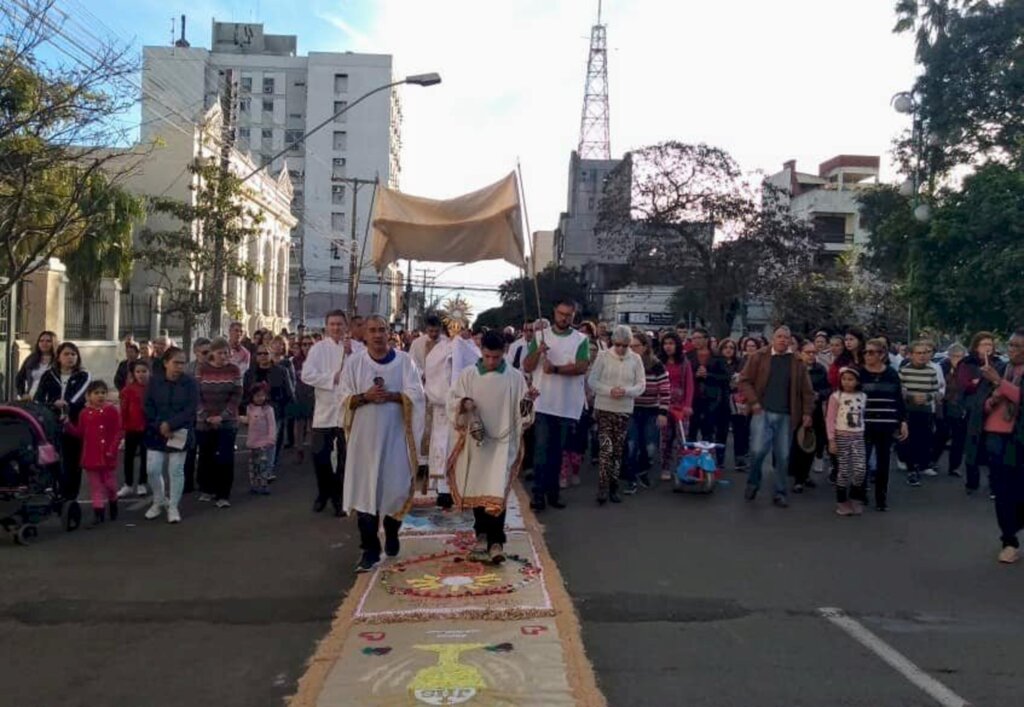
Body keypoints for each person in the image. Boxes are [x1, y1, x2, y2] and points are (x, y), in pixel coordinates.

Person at [340, 316, 425, 573]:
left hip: (395, 437)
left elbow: (417, 395)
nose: (378, 335)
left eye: (382, 330)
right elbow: (341, 398)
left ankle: (391, 532)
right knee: (366, 493)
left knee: (395, 488)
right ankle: (369, 550)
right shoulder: (354, 363)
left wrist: (392, 396)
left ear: (389, 333)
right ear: (364, 335)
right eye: (372, 330)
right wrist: (363, 397)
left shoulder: (404, 362)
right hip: (364, 440)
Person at [447, 330, 536, 561]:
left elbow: (523, 414)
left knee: (497, 491)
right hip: (477, 442)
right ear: (482, 352)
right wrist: (463, 404)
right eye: (487, 356)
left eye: (496, 357)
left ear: (503, 353)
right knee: (479, 487)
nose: (491, 362)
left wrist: (529, 401)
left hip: (503, 444)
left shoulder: (515, 377)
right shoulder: (468, 375)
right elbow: (453, 400)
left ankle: (496, 542)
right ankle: (481, 536)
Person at [522, 299, 590, 511]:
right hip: (544, 403)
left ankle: (554, 493)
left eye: (568, 315)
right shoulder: (542, 336)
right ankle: (538, 494)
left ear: (574, 316)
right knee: (541, 451)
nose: (564, 318)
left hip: (566, 404)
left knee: (557, 452)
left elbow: (581, 367)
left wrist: (558, 369)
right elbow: (527, 366)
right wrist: (537, 351)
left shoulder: (580, 339)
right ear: (554, 312)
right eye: (561, 313)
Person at [737, 326, 814, 508]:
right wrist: (754, 402)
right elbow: (744, 380)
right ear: (773, 338)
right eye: (779, 337)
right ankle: (753, 482)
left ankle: (780, 492)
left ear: (790, 341)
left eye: (786, 338)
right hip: (762, 411)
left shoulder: (797, 361)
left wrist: (807, 413)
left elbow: (807, 391)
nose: (782, 340)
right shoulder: (759, 356)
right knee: (757, 451)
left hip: (787, 415)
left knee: (783, 456)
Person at [301, 310, 364, 516]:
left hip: (348, 410)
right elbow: (307, 375)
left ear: (346, 326)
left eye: (339, 324)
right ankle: (323, 491)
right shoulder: (318, 349)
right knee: (320, 455)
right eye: (332, 324)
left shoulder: (358, 348)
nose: (336, 328)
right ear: (326, 326)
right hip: (325, 410)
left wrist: (352, 355)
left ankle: (339, 497)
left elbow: (364, 372)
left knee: (346, 458)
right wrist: (331, 378)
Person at [976, 329, 1024, 563]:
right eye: (1011, 345)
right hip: (998, 436)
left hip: (1020, 439)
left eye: (1017, 347)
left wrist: (999, 382)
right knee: (1003, 491)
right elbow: (984, 405)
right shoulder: (1004, 368)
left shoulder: (1001, 374)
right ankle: (1008, 541)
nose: (1012, 350)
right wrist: (993, 397)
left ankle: (1015, 525)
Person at [588, 325, 645, 504]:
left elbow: (641, 385)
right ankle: (602, 488)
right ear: (613, 342)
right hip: (605, 407)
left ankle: (614, 486)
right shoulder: (603, 356)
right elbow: (593, 381)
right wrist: (609, 390)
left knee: (618, 450)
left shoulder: (635, 359)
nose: (620, 349)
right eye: (618, 344)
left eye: (625, 345)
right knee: (606, 448)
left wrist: (626, 391)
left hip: (624, 410)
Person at [143, 346, 199, 524]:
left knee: (175, 470)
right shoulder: (154, 382)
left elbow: (191, 408)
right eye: (176, 363)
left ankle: (173, 506)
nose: (179, 367)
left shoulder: (190, 383)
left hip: (180, 431)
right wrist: (160, 425)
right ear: (166, 363)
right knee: (152, 469)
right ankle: (158, 500)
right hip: (156, 431)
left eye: (183, 363)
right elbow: (148, 406)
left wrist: (171, 425)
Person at [35, 342, 90, 509]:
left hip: (74, 423)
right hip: (52, 424)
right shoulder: (48, 375)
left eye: (73, 354)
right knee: (53, 459)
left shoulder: (83, 375)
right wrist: (53, 404)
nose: (70, 357)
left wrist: (66, 405)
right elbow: (39, 398)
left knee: (73, 460)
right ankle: (58, 492)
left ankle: (71, 496)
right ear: (58, 357)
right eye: (66, 354)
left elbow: (79, 396)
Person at [64, 380, 122, 527]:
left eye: (103, 392)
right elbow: (80, 433)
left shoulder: (112, 411)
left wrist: (112, 449)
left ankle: (113, 500)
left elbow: (117, 432)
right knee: (95, 486)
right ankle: (99, 513)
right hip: (91, 455)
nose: (100, 396)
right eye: (96, 393)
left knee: (109, 484)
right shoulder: (84, 413)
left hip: (107, 455)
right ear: (88, 396)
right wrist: (68, 425)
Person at [861, 338, 909, 511]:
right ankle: (861, 494)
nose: (868, 355)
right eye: (865, 352)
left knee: (883, 463)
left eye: (872, 352)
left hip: (886, 424)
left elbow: (898, 400)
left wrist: (902, 422)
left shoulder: (891, 374)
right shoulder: (860, 373)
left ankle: (881, 499)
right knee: (862, 461)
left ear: (882, 355)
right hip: (864, 424)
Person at [195, 337, 243, 508]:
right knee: (206, 455)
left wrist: (222, 416)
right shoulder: (202, 369)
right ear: (213, 353)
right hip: (205, 421)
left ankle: (223, 494)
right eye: (220, 352)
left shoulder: (234, 370)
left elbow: (237, 394)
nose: (223, 356)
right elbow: (196, 394)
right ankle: (207, 489)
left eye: (226, 352)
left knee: (225, 457)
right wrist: (206, 415)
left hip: (227, 421)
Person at [624, 332, 669, 493]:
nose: (633, 349)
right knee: (631, 445)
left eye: (636, 346)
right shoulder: (625, 364)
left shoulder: (655, 365)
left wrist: (663, 412)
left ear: (645, 347)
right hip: (631, 410)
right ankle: (631, 479)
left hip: (651, 410)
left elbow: (664, 389)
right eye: (631, 346)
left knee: (650, 447)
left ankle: (642, 471)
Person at [242, 343, 294, 475]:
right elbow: (245, 393)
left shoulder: (281, 371)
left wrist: (282, 408)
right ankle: (258, 468)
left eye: (266, 353)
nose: (263, 356)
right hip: (255, 413)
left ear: (271, 354)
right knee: (257, 441)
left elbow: (289, 392)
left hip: (274, 411)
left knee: (271, 441)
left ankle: (268, 470)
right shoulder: (250, 373)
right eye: (260, 354)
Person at [963, 332, 1005, 494]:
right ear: (976, 347)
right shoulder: (968, 363)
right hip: (972, 410)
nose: (988, 348)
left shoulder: (999, 365)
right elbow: (964, 385)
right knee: (972, 446)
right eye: (984, 345)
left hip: (993, 410)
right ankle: (971, 483)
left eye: (990, 345)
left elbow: (1002, 384)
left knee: (994, 448)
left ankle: (994, 484)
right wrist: (978, 379)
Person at [789, 339, 830, 492]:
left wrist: (819, 394)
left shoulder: (820, 369)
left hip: (815, 411)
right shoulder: (795, 369)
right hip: (797, 412)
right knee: (799, 445)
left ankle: (805, 475)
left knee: (811, 445)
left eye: (814, 353)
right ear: (800, 353)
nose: (812, 355)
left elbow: (827, 389)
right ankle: (798, 478)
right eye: (808, 352)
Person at [899, 341, 941, 486]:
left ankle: (921, 465)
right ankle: (911, 470)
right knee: (909, 440)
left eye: (924, 353)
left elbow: (936, 391)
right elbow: (899, 391)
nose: (922, 356)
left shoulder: (931, 371)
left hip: (925, 411)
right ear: (910, 355)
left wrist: (927, 397)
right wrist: (911, 397)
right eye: (918, 353)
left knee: (924, 440)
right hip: (910, 411)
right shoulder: (904, 371)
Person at [827, 367, 868, 516]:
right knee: (843, 470)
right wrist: (832, 439)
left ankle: (855, 497)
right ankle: (842, 501)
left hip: (858, 436)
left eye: (851, 379)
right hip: (841, 435)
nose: (847, 382)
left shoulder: (863, 396)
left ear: (857, 381)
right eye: (844, 379)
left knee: (860, 469)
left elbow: (864, 415)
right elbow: (830, 419)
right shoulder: (836, 397)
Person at [687, 328, 730, 464]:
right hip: (693, 397)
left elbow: (725, 377)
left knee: (709, 430)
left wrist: (708, 375)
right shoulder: (688, 356)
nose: (695, 341)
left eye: (698, 338)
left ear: (706, 339)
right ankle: (689, 459)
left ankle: (709, 460)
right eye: (693, 338)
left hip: (712, 398)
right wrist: (695, 375)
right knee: (692, 430)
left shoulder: (717, 356)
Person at [658, 332, 694, 480]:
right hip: (663, 405)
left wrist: (687, 405)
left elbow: (690, 385)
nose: (668, 346)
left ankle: (681, 467)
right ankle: (665, 467)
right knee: (665, 438)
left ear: (677, 345)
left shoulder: (685, 362)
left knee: (682, 438)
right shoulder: (658, 362)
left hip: (680, 406)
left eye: (671, 343)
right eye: (666, 343)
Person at [932, 343, 969, 477]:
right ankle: (932, 459)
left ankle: (954, 467)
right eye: (954, 356)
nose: (957, 359)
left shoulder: (967, 369)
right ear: (949, 356)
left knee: (959, 438)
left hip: (960, 406)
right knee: (942, 434)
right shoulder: (942, 367)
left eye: (960, 356)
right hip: (944, 405)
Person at [117, 360, 150, 498]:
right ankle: (128, 484)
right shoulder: (128, 390)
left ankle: (143, 483)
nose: (141, 374)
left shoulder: (153, 388)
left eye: (144, 371)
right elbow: (123, 411)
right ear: (133, 374)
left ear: (149, 372)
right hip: (131, 428)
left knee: (145, 456)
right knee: (128, 457)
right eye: (138, 372)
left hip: (148, 428)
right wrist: (122, 432)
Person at [718, 338, 750, 472]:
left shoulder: (741, 363)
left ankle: (740, 459)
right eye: (726, 347)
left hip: (738, 401)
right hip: (721, 401)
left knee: (740, 431)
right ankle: (719, 459)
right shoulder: (717, 363)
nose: (728, 349)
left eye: (731, 347)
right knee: (721, 431)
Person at [240, 382, 276, 495]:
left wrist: (271, 439)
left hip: (264, 442)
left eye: (262, 395)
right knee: (253, 465)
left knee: (263, 464)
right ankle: (254, 484)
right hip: (252, 441)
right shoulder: (249, 408)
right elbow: (248, 421)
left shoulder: (268, 409)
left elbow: (272, 425)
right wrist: (240, 418)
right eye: (257, 396)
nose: (260, 398)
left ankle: (264, 484)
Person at [289, 335, 316, 463]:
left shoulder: (318, 360)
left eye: (309, 344)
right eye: (304, 344)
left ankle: (312, 447)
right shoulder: (295, 361)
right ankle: (299, 447)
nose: (307, 347)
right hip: (299, 395)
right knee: (299, 423)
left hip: (314, 395)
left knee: (312, 424)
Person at [15, 330, 57, 400]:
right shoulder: (31, 359)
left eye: (48, 341)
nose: (44, 343)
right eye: (41, 341)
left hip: (51, 400)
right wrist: (22, 394)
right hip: (32, 399)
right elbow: (19, 378)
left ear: (54, 343)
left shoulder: (59, 360)